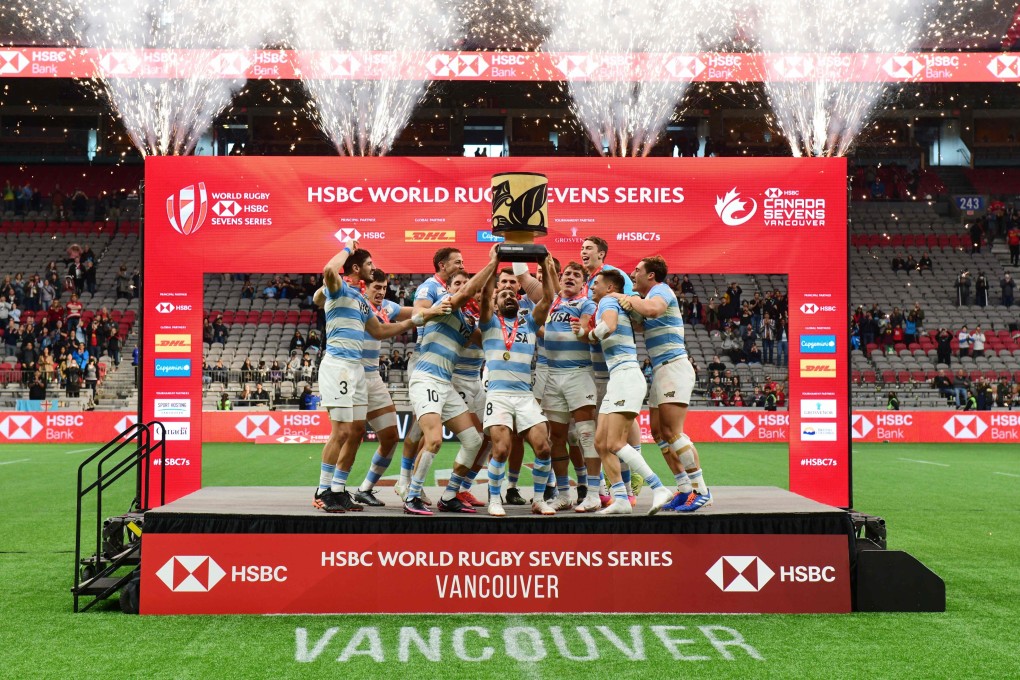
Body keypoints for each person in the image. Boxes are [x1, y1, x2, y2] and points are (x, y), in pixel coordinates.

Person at [311, 242, 439, 515]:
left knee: (355, 432)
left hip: (358, 370)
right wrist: (347, 247)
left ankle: (338, 490)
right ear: (357, 268)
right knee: (342, 431)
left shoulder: (360, 301)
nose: (374, 268)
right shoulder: (338, 288)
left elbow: (379, 331)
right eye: (369, 264)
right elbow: (328, 270)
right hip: (338, 366)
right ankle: (323, 490)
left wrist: (414, 322)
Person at [400, 246, 499, 516]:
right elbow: (465, 293)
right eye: (459, 270)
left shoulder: (468, 318)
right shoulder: (445, 302)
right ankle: (412, 496)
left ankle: (450, 494)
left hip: (445, 384)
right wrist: (493, 263)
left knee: (474, 440)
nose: (467, 286)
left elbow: (486, 325)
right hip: (426, 378)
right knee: (433, 440)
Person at [572, 268, 673, 515]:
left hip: (626, 377)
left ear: (609, 288)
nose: (591, 286)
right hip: (618, 379)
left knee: (615, 443)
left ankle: (658, 487)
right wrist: (585, 334)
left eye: (596, 282)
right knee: (600, 444)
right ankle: (621, 499)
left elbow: (610, 326)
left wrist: (590, 334)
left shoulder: (608, 301)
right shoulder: (612, 302)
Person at [618, 255, 711, 513]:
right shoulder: (647, 298)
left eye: (636, 271)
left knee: (673, 433)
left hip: (674, 367)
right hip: (661, 370)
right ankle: (683, 490)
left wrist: (628, 299)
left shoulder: (661, 290)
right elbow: (641, 323)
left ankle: (701, 490)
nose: (632, 274)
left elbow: (653, 310)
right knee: (659, 434)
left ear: (650, 275)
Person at [350, 268, 449, 508]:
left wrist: (441, 308)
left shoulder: (387, 307)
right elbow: (388, 329)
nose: (381, 292)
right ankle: (329, 490)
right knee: (348, 436)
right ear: (365, 287)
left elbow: (419, 312)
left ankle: (365, 488)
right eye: (376, 288)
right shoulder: (354, 304)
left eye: (384, 288)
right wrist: (419, 317)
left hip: (373, 377)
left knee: (391, 436)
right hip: (351, 374)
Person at [479, 255, 558, 517]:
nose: (508, 296)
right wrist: (494, 262)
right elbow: (485, 294)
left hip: (524, 396)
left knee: (544, 446)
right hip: (499, 395)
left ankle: (538, 499)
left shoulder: (530, 323)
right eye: (502, 296)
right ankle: (494, 499)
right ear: (496, 304)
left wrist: (546, 267)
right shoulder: (489, 323)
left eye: (511, 294)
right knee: (500, 448)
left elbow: (547, 299)